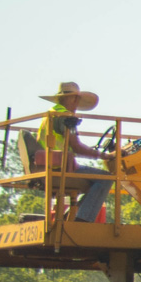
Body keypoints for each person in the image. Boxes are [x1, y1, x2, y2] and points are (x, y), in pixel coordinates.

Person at [36, 81, 112, 222]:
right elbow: (76, 146)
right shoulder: (65, 117)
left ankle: (73, 216)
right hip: (60, 168)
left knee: (94, 184)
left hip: (50, 165)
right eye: (76, 99)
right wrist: (103, 155)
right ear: (73, 99)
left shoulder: (51, 113)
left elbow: (71, 146)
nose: (77, 103)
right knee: (105, 178)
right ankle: (82, 220)